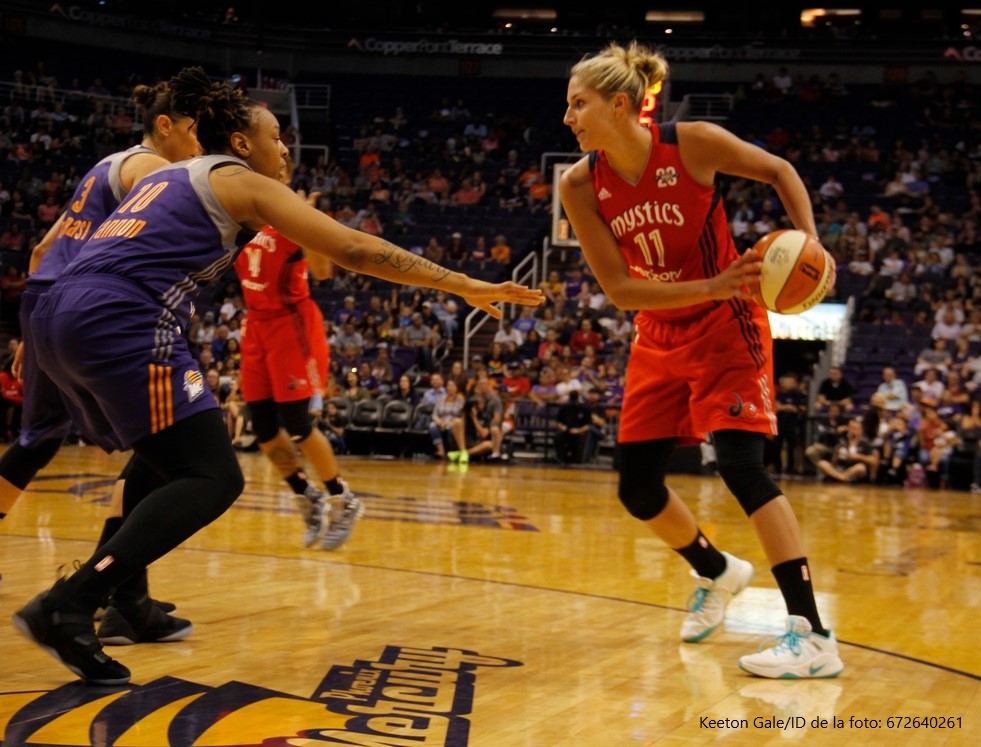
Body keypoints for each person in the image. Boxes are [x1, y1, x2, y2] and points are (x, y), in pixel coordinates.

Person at [13, 73, 543, 687]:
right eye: (277, 136)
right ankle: (72, 601)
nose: (287, 148)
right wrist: (465, 283)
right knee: (211, 476)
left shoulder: (160, 176)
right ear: (240, 142)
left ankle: (126, 601)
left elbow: (69, 246)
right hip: (121, 317)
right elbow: (354, 250)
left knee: (161, 461)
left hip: (57, 313)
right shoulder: (239, 181)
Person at [558, 41, 842, 679]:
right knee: (637, 488)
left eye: (579, 103)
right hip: (658, 330)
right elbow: (621, 291)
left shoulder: (692, 145)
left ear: (622, 104)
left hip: (726, 325)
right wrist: (708, 284)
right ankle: (717, 571)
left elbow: (781, 172)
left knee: (742, 467)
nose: (569, 117)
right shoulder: (579, 185)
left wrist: (811, 248)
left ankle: (812, 632)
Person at [0, 70, 206, 638]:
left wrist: (32, 332)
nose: (198, 146)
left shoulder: (103, 167)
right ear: (164, 127)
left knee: (38, 442)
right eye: (192, 132)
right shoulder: (152, 170)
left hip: (50, 301)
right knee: (166, 446)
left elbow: (43, 248)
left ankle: (125, 593)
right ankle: (115, 593)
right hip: (94, 311)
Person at [234, 160, 363, 552]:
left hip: (292, 325)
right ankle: (306, 495)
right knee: (262, 427)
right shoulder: (239, 211)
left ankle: (343, 499)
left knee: (298, 423)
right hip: (255, 325)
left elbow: (323, 272)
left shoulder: (296, 213)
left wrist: (305, 221)